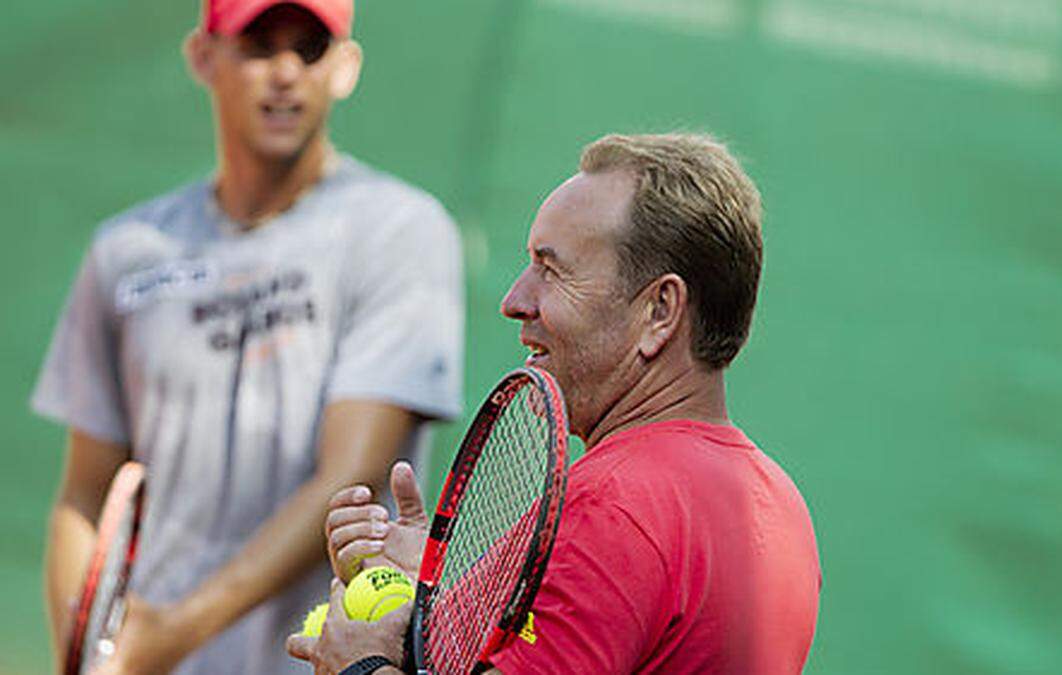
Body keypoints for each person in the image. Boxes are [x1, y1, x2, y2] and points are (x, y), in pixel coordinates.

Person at [33, 1, 463, 673]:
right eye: (259, 45)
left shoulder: (400, 231)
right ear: (204, 57)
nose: (286, 72)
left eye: (310, 48)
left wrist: (173, 632)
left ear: (346, 67)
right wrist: (88, 653)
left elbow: (354, 472)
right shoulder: (127, 251)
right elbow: (84, 493)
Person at [290, 132, 820, 674]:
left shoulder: (614, 506)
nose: (515, 300)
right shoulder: (781, 505)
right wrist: (432, 597)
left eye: (552, 270)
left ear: (660, 311)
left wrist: (358, 666)